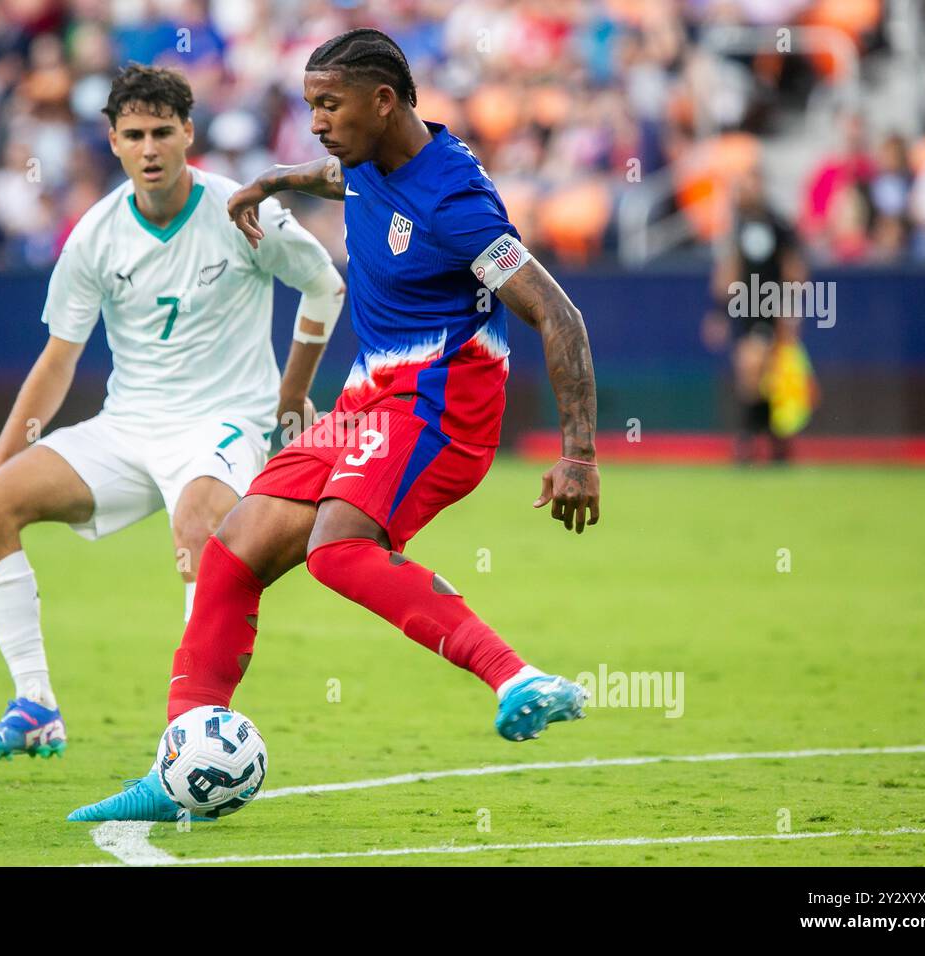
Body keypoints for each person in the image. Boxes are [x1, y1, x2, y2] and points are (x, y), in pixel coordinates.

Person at [68, 30, 600, 822]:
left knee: (339, 551)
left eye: (328, 104)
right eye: (311, 104)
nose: (315, 121)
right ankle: (177, 762)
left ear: (383, 101)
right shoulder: (366, 157)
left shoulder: (455, 202)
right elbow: (336, 175)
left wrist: (580, 454)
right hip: (367, 403)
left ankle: (517, 676)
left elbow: (557, 313)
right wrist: (272, 182)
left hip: (440, 407)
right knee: (233, 550)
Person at [0, 64, 345, 761]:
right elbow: (57, 360)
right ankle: (35, 707)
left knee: (198, 525)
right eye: (135, 134)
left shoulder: (239, 208)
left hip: (228, 419)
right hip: (128, 427)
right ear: (113, 142)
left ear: (189, 133)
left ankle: (193, 732)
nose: (151, 147)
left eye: (164, 131)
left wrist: (290, 395)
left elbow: (323, 285)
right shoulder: (96, 234)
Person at [702, 167, 810, 463]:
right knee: (748, 372)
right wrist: (719, 312)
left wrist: (790, 309)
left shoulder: (777, 224)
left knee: (761, 370)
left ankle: (757, 441)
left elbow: (793, 269)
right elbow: (728, 271)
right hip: (742, 309)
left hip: (768, 307)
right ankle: (763, 440)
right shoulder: (736, 225)